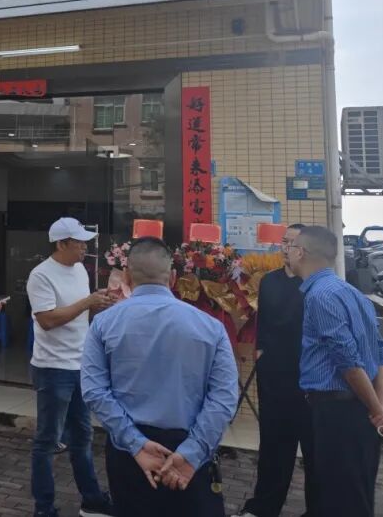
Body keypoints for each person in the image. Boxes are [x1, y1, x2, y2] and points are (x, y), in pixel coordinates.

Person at [81, 237, 238, 517]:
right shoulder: (211, 327)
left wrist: (135, 444)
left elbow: (94, 391)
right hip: (189, 446)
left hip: (130, 452)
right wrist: (192, 453)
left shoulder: (104, 323)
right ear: (173, 277)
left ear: (126, 276)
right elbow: (224, 398)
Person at [288, 225, 383, 517]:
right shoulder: (353, 294)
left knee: (342, 499)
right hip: (359, 411)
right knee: (355, 494)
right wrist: (380, 408)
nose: (286, 252)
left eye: (290, 247)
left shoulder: (320, 296)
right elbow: (380, 356)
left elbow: (348, 362)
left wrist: (378, 411)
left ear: (301, 252)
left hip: (338, 412)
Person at [27, 218, 117, 517]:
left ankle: (92, 500)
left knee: (82, 437)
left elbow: (78, 313)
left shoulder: (80, 270)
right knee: (47, 441)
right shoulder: (41, 275)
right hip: (53, 368)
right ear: (61, 243)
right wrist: (87, 302)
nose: (84, 248)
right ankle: (43, 508)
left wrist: (97, 304)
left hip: (80, 364)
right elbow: (47, 320)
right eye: (78, 243)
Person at [234, 224, 315, 517]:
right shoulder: (268, 281)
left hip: (309, 379)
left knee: (314, 451)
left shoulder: (315, 285)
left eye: (292, 243)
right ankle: (263, 507)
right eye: (283, 242)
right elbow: (264, 325)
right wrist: (261, 354)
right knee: (273, 447)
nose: (285, 248)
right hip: (274, 377)